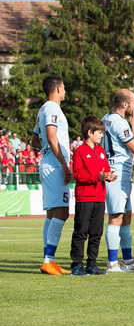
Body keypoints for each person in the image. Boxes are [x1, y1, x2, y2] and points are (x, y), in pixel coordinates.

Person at [31, 75, 72, 275]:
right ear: (57, 89)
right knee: (62, 212)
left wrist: (47, 151)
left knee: (52, 214)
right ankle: (48, 260)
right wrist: (64, 164)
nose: (65, 91)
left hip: (48, 163)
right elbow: (50, 135)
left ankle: (49, 260)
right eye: (63, 88)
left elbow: (34, 141)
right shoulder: (52, 108)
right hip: (55, 166)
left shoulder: (42, 110)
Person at [69, 116, 116, 275]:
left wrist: (109, 176)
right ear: (90, 132)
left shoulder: (101, 151)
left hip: (99, 198)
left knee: (96, 233)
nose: (101, 135)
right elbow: (78, 175)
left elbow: (105, 170)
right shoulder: (79, 151)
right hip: (85, 198)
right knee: (81, 232)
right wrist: (98, 177)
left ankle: (92, 264)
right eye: (99, 132)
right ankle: (76, 265)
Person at [102, 89, 134, 272]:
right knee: (116, 217)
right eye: (133, 102)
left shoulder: (105, 118)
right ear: (124, 105)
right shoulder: (120, 122)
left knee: (125, 217)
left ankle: (127, 260)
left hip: (117, 172)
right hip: (117, 173)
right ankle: (112, 263)